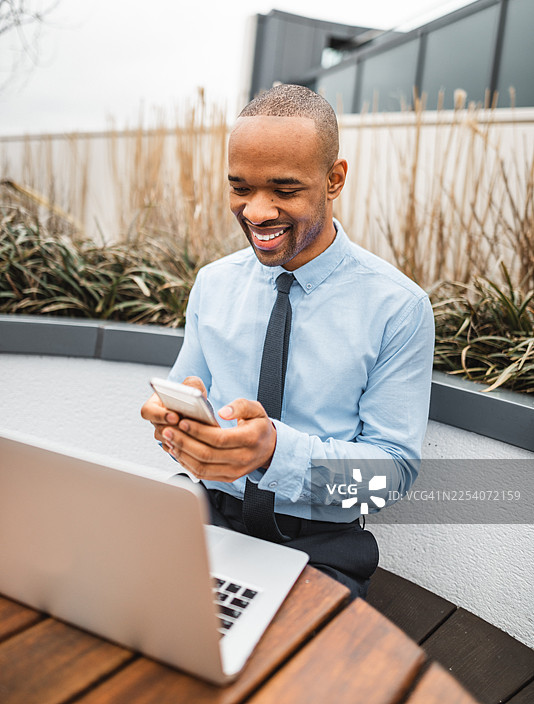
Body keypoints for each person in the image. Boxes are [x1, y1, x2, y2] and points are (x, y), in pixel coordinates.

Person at [141, 84, 435, 599]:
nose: (256, 213)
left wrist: (275, 454)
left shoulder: (399, 308)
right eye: (240, 187)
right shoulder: (213, 284)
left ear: (334, 179)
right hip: (203, 520)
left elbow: (390, 479)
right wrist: (176, 431)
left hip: (320, 552)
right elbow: (182, 409)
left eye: (283, 190)